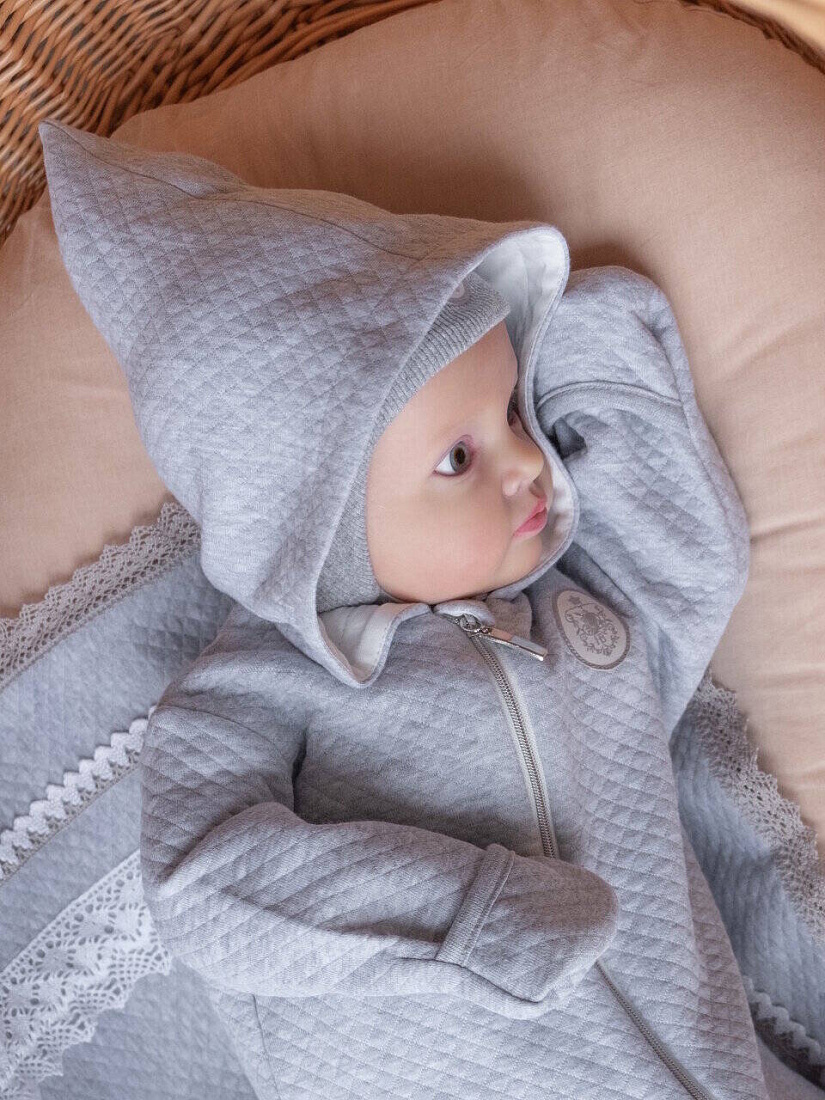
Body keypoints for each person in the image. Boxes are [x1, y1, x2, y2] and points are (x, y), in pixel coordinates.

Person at [39, 117, 764, 1100]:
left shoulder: (572, 616)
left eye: (513, 411)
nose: (528, 462)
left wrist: (596, 350)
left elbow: (694, 565)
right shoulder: (256, 687)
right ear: (318, 521)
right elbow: (205, 884)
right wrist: (463, 917)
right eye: (458, 456)